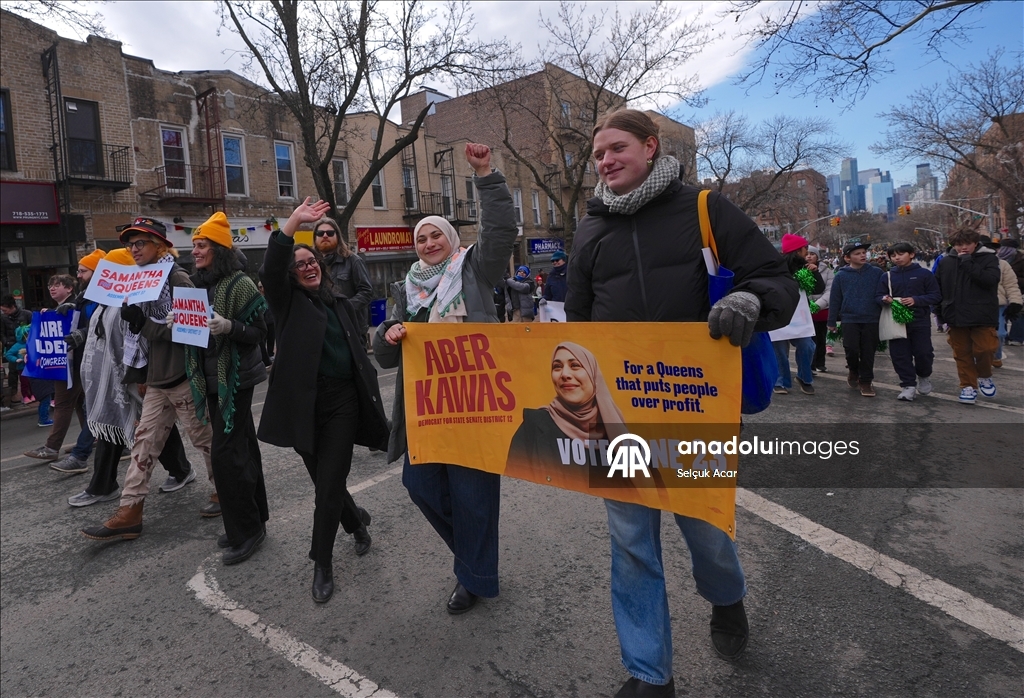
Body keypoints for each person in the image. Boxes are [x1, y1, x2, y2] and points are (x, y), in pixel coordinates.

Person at [565, 109, 797, 697]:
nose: (605, 160)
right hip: (620, 420)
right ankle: (649, 673)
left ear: (649, 147)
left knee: (707, 536)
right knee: (631, 544)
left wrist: (750, 301)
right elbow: (578, 324)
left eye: (617, 148)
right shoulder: (590, 228)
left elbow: (776, 276)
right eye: (597, 155)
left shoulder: (705, 207)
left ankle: (727, 600)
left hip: (698, 414)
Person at [373, 143, 518, 615]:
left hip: (474, 403)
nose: (430, 243)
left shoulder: (473, 270)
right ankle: (477, 558)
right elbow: (385, 356)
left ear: (452, 241)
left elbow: (501, 231)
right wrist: (387, 333)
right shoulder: (404, 290)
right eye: (422, 238)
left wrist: (486, 176)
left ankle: (472, 576)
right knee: (421, 487)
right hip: (426, 412)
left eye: (438, 236)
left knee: (474, 497)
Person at [259, 200, 389, 602]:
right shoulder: (287, 304)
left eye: (312, 260)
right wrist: (295, 223)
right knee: (325, 483)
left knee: (329, 484)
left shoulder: (341, 304)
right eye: (299, 263)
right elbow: (269, 269)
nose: (308, 265)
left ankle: (322, 564)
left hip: (343, 405)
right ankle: (357, 525)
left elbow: (363, 354)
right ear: (291, 275)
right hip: (303, 408)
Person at [82, 218, 214, 542]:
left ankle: (228, 491)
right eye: (131, 244)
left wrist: (145, 324)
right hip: (156, 380)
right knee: (144, 443)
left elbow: (194, 330)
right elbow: (137, 337)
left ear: (160, 246)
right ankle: (130, 511)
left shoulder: (178, 277)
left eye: (140, 243)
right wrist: (139, 372)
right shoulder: (137, 281)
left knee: (205, 441)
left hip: (182, 377)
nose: (134, 249)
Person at [66, 247, 195, 508]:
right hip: (108, 380)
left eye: (107, 269)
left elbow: (140, 340)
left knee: (142, 428)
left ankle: (105, 486)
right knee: (148, 429)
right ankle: (180, 470)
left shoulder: (134, 301)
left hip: (130, 378)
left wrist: (142, 376)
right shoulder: (104, 303)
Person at [185, 212, 270, 562]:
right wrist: (183, 324)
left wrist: (229, 327)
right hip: (209, 380)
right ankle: (257, 517)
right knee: (244, 448)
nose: (195, 251)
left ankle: (246, 531)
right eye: (193, 246)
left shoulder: (241, 284)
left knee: (224, 456)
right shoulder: (195, 285)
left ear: (218, 248)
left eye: (201, 245)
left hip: (235, 378)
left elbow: (260, 334)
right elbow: (195, 337)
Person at [505, 342, 626, 488]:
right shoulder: (534, 427)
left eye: (575, 365)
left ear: (593, 374)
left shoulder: (617, 430)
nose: (565, 374)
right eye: (557, 367)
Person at [25, 252, 104, 468]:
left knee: (64, 403)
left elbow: (104, 322)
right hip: (73, 360)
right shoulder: (84, 296)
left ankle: (54, 448)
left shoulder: (101, 294)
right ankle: (93, 441)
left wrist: (82, 333)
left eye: (83, 271)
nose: (78, 275)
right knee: (79, 403)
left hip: (78, 360)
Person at [936, 227, 1001, 404]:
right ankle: (967, 386)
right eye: (958, 244)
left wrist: (968, 262)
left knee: (985, 348)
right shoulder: (946, 261)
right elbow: (939, 287)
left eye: (967, 244)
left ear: (975, 243)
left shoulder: (989, 258)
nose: (962, 248)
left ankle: (985, 376)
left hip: (983, 313)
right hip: (955, 313)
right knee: (961, 352)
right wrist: (939, 313)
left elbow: (990, 280)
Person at [875, 242, 942, 401]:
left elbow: (936, 296)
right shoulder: (888, 276)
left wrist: (916, 300)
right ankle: (908, 385)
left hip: (919, 321)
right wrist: (884, 299)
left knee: (924, 353)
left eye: (900, 254)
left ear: (911, 254)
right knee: (899, 355)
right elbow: (878, 296)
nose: (896, 258)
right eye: (893, 255)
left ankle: (924, 375)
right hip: (896, 321)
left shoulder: (924, 274)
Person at [828, 241, 884, 397]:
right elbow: (835, 299)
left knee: (868, 352)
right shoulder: (841, 276)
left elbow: (882, 292)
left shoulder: (876, 273)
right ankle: (853, 370)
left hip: (871, 318)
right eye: (857, 253)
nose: (862, 255)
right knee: (851, 349)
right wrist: (831, 321)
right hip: (849, 319)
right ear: (847, 258)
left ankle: (866, 382)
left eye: (863, 252)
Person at [771, 234, 824, 396]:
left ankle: (804, 377)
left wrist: (815, 273)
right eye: (805, 249)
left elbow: (817, 289)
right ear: (797, 251)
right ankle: (780, 381)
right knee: (779, 350)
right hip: (778, 314)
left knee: (807, 346)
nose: (807, 253)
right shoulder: (775, 268)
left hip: (799, 317)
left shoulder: (806, 269)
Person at [315, 216, 373, 345]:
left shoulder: (353, 261)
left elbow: (366, 292)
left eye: (330, 233)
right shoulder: (312, 265)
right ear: (315, 238)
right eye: (320, 233)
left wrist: (343, 309)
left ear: (337, 236)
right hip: (324, 332)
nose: (325, 236)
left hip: (352, 329)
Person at [989, 237, 1023, 367]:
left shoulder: (1003, 264)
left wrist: (1016, 302)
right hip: (978, 304)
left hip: (1000, 303)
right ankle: (980, 358)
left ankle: (996, 356)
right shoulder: (971, 263)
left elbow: (1011, 285)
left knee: (1000, 333)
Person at [807, 247, 833, 372]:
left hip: (821, 309)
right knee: (808, 339)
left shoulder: (827, 271)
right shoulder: (799, 269)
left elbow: (829, 291)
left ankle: (820, 363)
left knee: (820, 337)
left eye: (812, 254)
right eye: (806, 254)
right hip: (805, 310)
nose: (809, 256)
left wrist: (817, 305)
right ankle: (810, 364)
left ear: (817, 257)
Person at [999, 238, 1024, 345]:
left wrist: (1012, 277)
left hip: (1018, 291)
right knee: (1001, 314)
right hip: (1001, 292)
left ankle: (1016, 337)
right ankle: (1003, 336)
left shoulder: (1021, 260)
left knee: (1017, 313)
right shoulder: (997, 260)